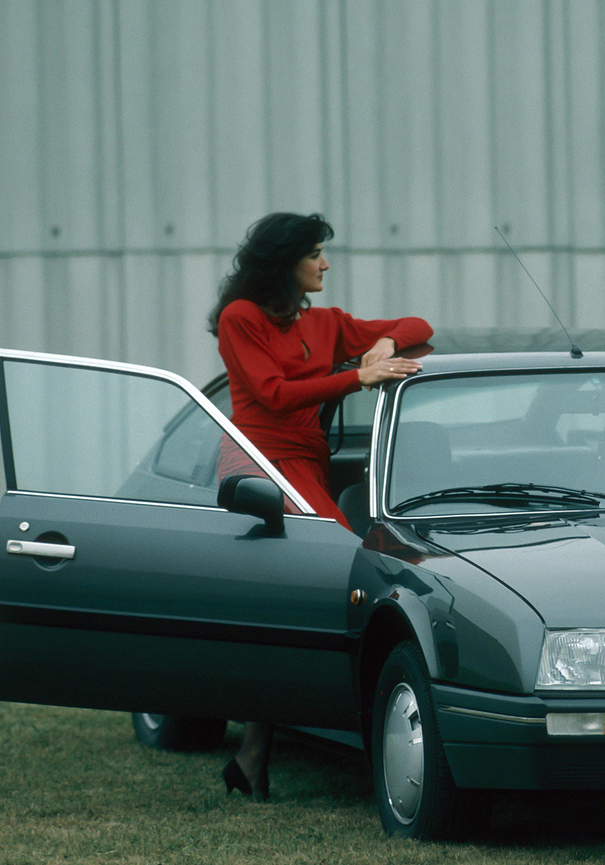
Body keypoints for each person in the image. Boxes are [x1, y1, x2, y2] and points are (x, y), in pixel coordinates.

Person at [208, 212, 433, 801]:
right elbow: (274, 394)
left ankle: (254, 754)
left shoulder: (326, 323)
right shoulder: (241, 317)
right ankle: (302, 733)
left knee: (303, 599)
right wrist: (360, 378)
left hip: (305, 462)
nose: (325, 264)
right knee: (332, 572)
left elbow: (419, 324)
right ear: (285, 262)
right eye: (315, 254)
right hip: (259, 460)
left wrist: (383, 345)